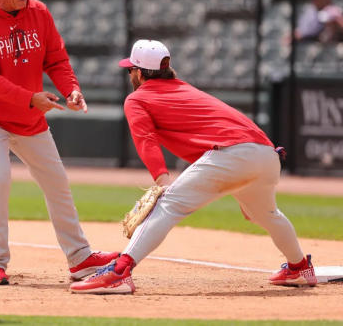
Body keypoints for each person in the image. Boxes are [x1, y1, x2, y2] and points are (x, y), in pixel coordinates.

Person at [70, 39, 317, 294]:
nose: (130, 73)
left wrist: (162, 179)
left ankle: (119, 272)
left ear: (140, 73)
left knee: (168, 203)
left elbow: (146, 140)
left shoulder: (137, 99)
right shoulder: (185, 89)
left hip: (232, 154)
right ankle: (300, 267)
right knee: (267, 214)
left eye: (130, 69)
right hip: (266, 154)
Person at [0, 0, 119, 285]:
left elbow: (57, 59)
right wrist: (29, 98)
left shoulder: (39, 13)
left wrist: (71, 88)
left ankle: (79, 258)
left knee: (56, 181)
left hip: (28, 113)